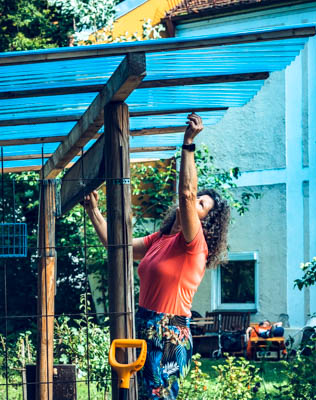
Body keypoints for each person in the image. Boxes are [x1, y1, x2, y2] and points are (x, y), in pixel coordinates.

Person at [82, 113, 231, 400]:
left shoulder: (194, 245)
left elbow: (186, 194)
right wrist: (93, 211)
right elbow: (117, 245)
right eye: (198, 198)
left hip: (169, 330)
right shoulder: (161, 239)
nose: (194, 202)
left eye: (201, 205)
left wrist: (188, 144)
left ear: (207, 222)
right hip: (144, 322)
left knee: (158, 397)